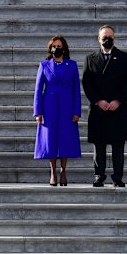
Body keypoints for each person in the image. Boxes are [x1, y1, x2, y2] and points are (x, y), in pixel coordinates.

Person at [82, 25, 127, 187]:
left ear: (114, 38)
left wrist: (117, 100)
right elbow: (86, 83)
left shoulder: (125, 58)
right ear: (98, 39)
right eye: (104, 36)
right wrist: (99, 101)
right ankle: (99, 175)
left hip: (118, 108)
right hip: (99, 108)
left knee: (118, 144)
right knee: (99, 144)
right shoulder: (90, 59)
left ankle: (118, 176)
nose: (107, 39)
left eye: (110, 36)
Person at [33, 35, 82, 186]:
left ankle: (64, 171)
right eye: (54, 46)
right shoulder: (44, 65)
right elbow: (38, 89)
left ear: (64, 48)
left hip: (67, 106)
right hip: (50, 106)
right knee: (51, 139)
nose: (56, 49)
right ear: (50, 48)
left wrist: (76, 111)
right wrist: (38, 112)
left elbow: (76, 90)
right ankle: (53, 171)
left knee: (65, 139)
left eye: (59, 46)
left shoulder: (72, 65)